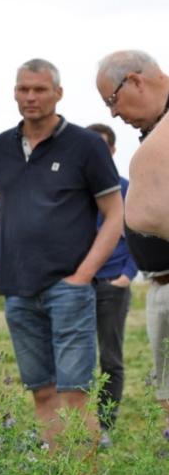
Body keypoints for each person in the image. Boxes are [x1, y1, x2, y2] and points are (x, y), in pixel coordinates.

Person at [0, 58, 123, 447]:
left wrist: (82, 275)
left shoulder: (86, 146)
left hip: (69, 288)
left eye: (40, 89)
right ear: (14, 93)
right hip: (18, 288)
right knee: (42, 393)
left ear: (58, 94)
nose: (31, 97)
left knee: (75, 394)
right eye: (23, 89)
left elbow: (114, 215)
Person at [96, 50, 169, 424]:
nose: (112, 113)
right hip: (159, 284)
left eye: (112, 101)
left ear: (135, 81)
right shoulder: (156, 129)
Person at [86, 123, 138, 438]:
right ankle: (77, 426)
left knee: (110, 358)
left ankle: (105, 426)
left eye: (101, 147)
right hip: (79, 284)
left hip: (112, 285)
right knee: (74, 357)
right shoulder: (77, 191)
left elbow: (139, 236)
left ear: (113, 151)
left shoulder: (127, 189)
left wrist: (126, 276)